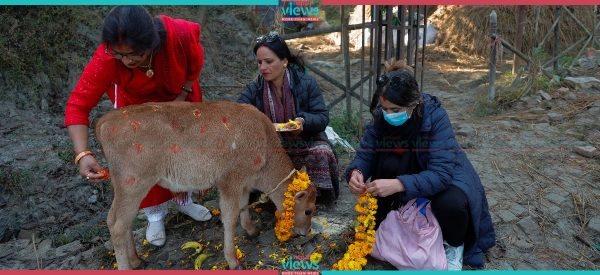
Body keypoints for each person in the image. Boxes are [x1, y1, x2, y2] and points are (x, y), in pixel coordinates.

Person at [64, 6, 211, 247]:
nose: (126, 60)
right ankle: (155, 215)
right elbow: (78, 105)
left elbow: (194, 68)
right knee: (144, 161)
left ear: (151, 44)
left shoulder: (181, 35)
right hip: (137, 110)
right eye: (119, 54)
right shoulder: (107, 58)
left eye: (133, 54)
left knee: (184, 153)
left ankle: (185, 201)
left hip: (180, 101)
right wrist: (82, 154)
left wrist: (182, 95)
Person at [345, 59, 495, 270]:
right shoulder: (381, 117)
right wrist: (356, 172)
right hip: (408, 175)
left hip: (444, 176)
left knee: (450, 204)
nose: (388, 115)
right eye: (384, 109)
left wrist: (399, 184)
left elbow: (441, 174)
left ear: (414, 104)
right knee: (384, 172)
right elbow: (366, 153)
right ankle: (402, 219)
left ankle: (454, 244)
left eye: (395, 109)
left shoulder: (435, 116)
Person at [238, 31, 339, 202]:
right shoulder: (255, 88)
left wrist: (303, 121)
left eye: (269, 62)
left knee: (322, 153)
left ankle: (317, 194)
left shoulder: (306, 83)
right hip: (271, 146)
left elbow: (322, 117)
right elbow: (239, 113)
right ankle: (270, 195)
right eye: (259, 62)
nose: (263, 67)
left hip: (306, 141)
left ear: (284, 61)